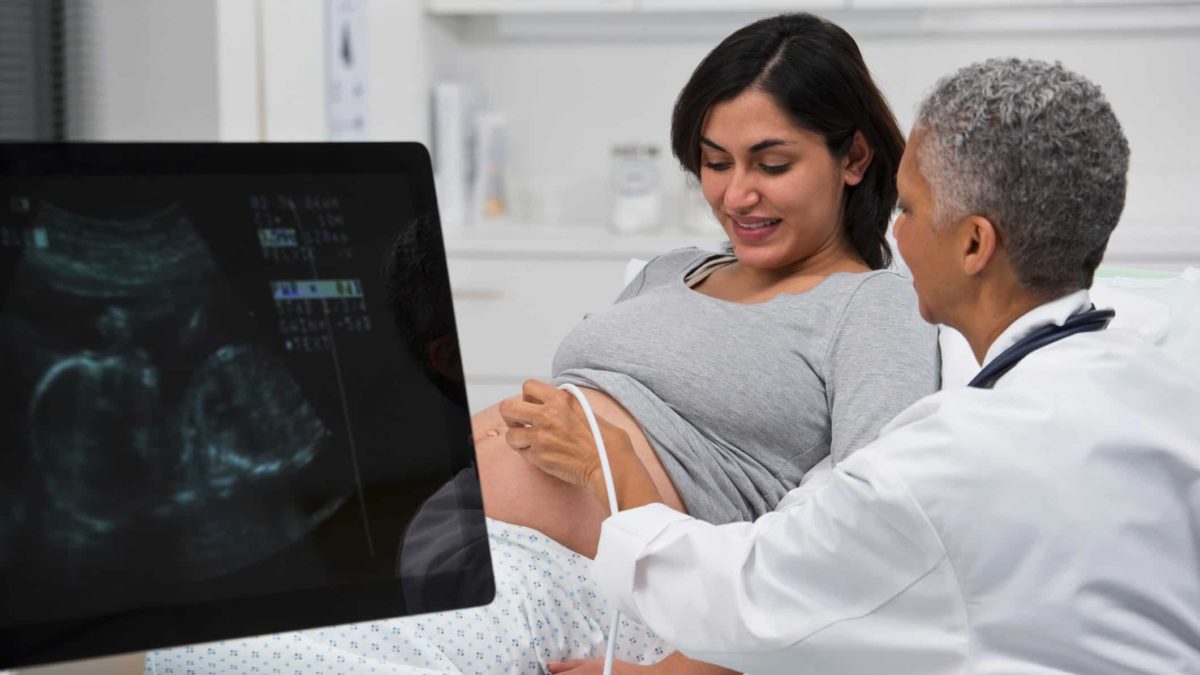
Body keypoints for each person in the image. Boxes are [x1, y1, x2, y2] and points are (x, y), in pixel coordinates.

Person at [146, 13, 939, 673]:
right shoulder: (672, 269)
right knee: (179, 641)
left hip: (602, 585)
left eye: (772, 163)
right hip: (448, 538)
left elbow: (870, 544)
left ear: (855, 157)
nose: (736, 194)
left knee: (225, 658)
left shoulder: (872, 305)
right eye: (714, 162)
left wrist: (691, 667)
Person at [507, 58, 1200, 674]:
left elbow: (754, 598)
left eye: (908, 208)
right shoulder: (1161, 394)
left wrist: (608, 467)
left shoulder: (944, 461)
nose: (893, 232)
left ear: (973, 244)